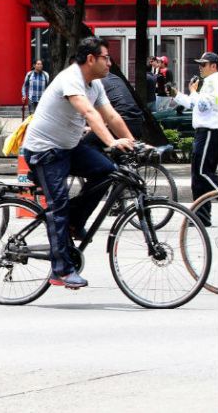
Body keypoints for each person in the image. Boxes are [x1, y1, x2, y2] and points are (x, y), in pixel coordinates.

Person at [22, 37, 135, 289]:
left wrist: (132, 142)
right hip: (45, 151)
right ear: (91, 59)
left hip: (69, 147)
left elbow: (111, 116)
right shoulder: (71, 78)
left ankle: (74, 221)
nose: (110, 63)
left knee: (107, 171)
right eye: (106, 58)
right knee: (58, 205)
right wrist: (111, 142)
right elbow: (89, 113)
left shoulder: (95, 85)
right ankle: (61, 270)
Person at [167, 52, 218, 226]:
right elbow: (194, 104)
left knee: (202, 173)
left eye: (203, 64)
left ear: (213, 66)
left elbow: (202, 105)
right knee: (197, 178)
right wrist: (177, 94)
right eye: (199, 64)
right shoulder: (209, 82)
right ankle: (201, 217)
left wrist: (193, 91)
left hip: (210, 131)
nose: (200, 67)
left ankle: (201, 216)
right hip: (204, 132)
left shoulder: (214, 81)